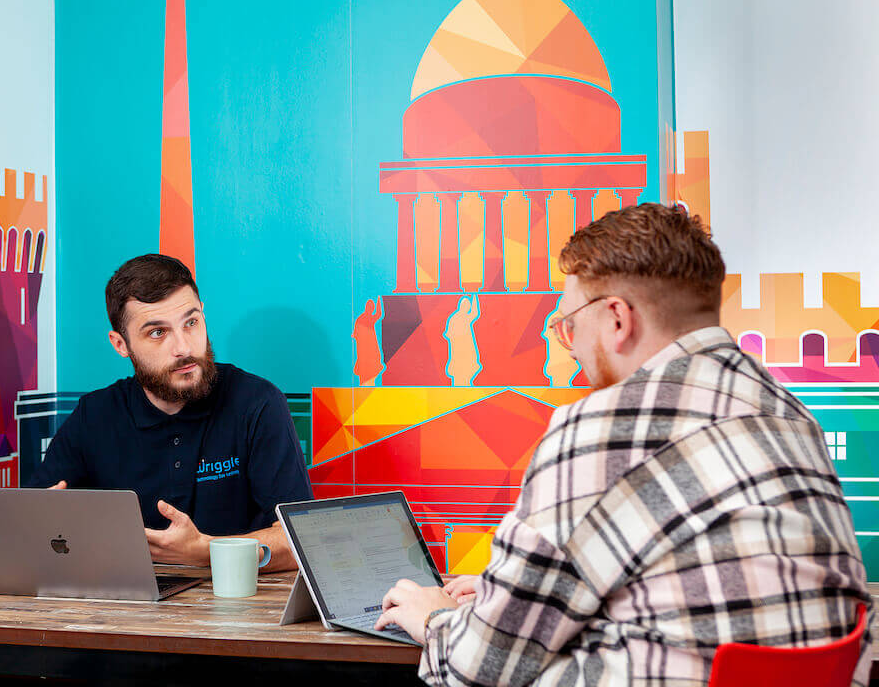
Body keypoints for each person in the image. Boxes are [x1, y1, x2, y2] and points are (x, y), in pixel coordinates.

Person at [374, 204, 872, 685]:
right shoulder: (784, 411)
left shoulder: (601, 427)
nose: (572, 347)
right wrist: (504, 597)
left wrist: (436, 616)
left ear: (616, 318)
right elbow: (699, 585)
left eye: (570, 325)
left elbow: (478, 665)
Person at [28, 254, 312, 571]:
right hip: (124, 605)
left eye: (191, 323)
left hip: (239, 602)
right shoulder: (94, 415)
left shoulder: (257, 403)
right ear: (121, 344)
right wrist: (42, 522)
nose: (184, 348)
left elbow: (301, 536)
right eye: (158, 332)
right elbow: (32, 523)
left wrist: (208, 552)